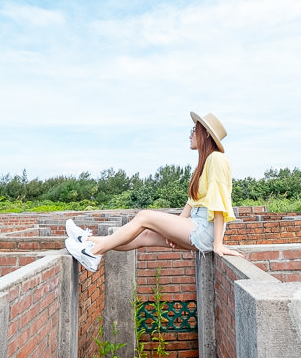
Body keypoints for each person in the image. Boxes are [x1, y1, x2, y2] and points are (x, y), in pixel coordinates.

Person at [64, 111, 242, 271]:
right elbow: (192, 202)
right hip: (196, 225)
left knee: (144, 216)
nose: (190, 135)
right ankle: (86, 240)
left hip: (205, 230)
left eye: (194, 130)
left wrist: (218, 244)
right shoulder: (204, 163)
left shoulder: (216, 159)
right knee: (145, 235)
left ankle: (92, 253)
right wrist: (172, 231)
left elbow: (219, 202)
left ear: (207, 133)